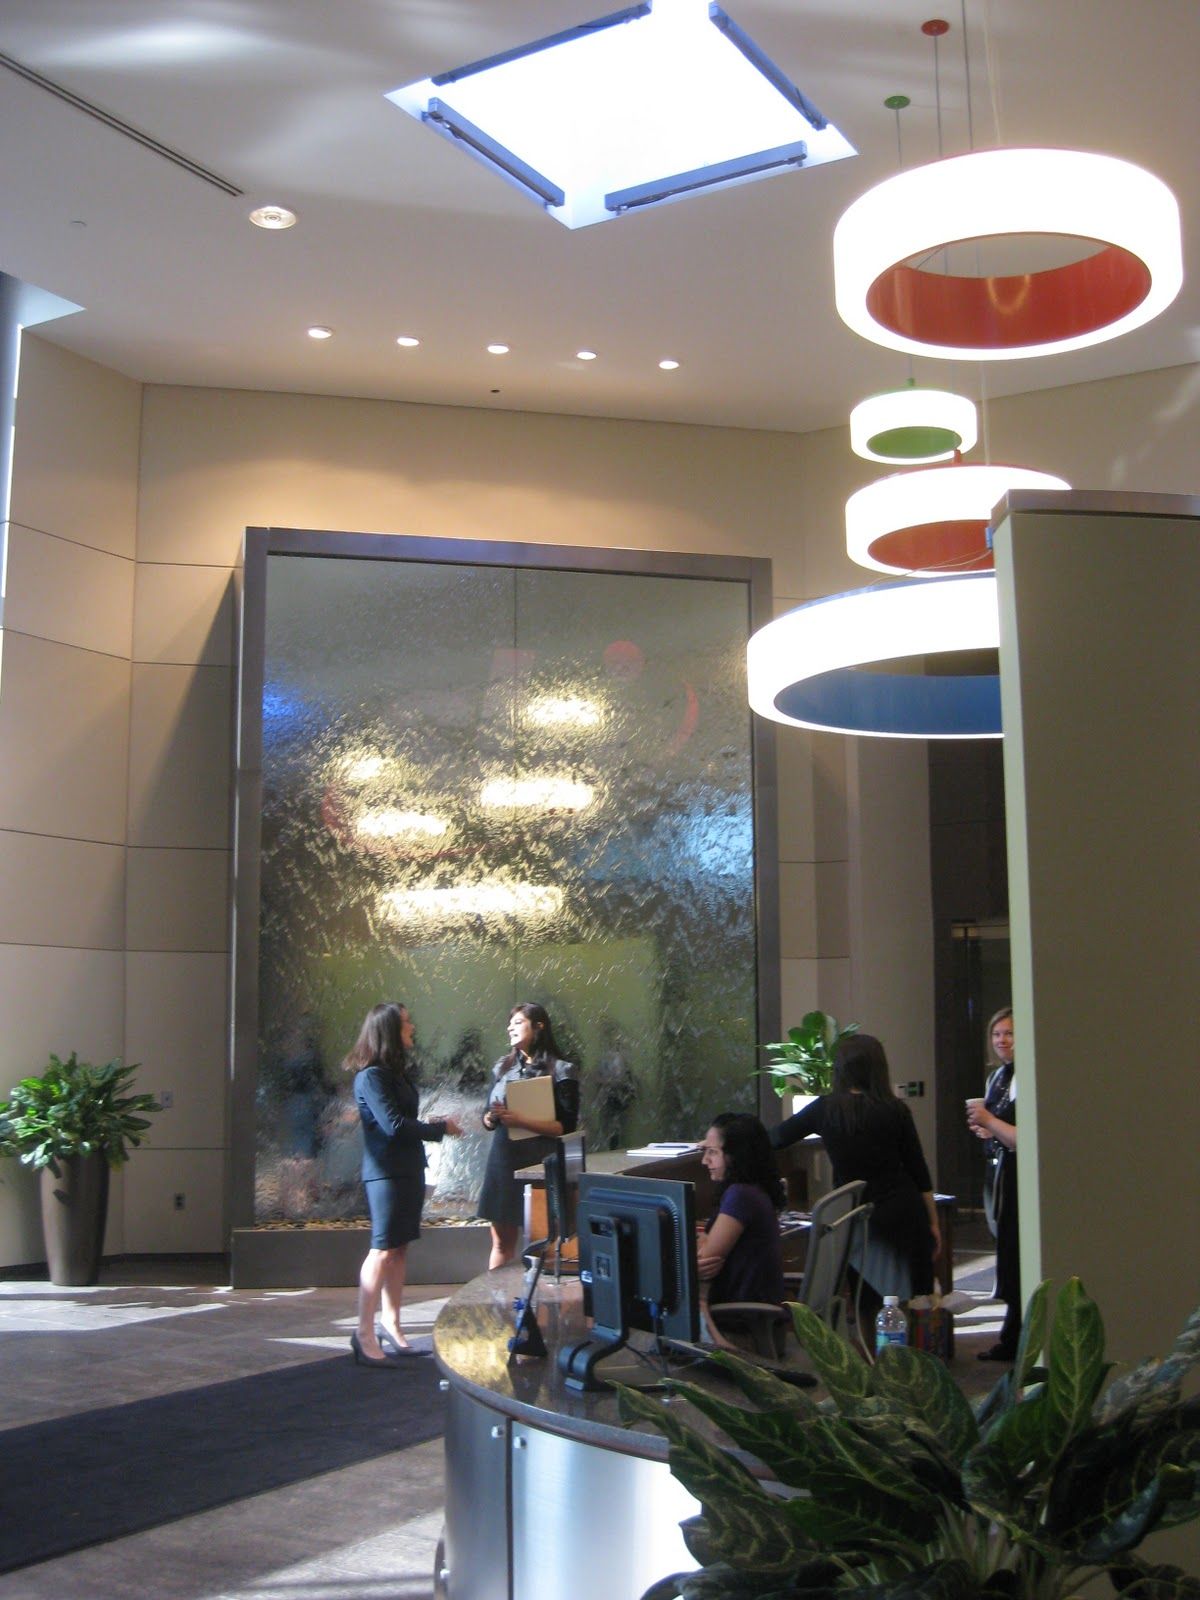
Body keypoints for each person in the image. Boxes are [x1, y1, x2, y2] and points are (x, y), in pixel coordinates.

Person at [771, 1033, 940, 1315]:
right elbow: (918, 1170)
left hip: (856, 1216)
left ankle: (870, 1356)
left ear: (840, 1068)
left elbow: (776, 1138)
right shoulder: (895, 1109)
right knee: (910, 1302)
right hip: (903, 1212)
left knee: (867, 1303)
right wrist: (933, 1222)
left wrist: (721, 1141)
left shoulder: (825, 1109)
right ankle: (909, 1355)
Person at [346, 1002, 462, 1365]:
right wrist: (440, 1128)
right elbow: (393, 1125)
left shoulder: (393, 1073)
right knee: (382, 1249)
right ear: (389, 1030)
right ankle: (364, 1332)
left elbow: (401, 1121)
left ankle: (392, 1325)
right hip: (386, 1173)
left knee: (399, 1248)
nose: (413, 1028)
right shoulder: (372, 1076)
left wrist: (430, 1125)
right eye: (407, 1023)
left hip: (408, 1169)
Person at [478, 1003, 579, 1270]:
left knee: (543, 1242)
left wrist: (522, 1120)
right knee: (500, 1243)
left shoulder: (563, 1070)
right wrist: (490, 1117)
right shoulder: (502, 1067)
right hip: (503, 1159)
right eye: (509, 1023)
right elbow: (485, 1116)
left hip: (541, 1161)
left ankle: (541, 1305)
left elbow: (565, 1127)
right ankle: (498, 1305)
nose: (510, 1027)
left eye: (518, 1022)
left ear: (539, 1026)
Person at [697, 1113, 786, 1345]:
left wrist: (697, 1251)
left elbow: (705, 1260)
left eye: (713, 1152)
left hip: (740, 1329)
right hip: (758, 1324)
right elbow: (704, 1249)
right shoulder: (753, 1190)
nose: (704, 1161)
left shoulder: (741, 1196)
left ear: (736, 1157)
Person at [967, 1006, 1019, 1361]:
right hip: (999, 1177)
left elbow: (1023, 1137)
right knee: (1007, 1254)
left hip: (1019, 1180)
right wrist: (987, 1129)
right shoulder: (997, 1077)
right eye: (996, 1034)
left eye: (1009, 1034)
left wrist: (989, 1120)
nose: (1001, 1040)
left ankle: (1018, 1341)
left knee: (1018, 1256)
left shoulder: (1027, 1077)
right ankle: (1010, 1338)